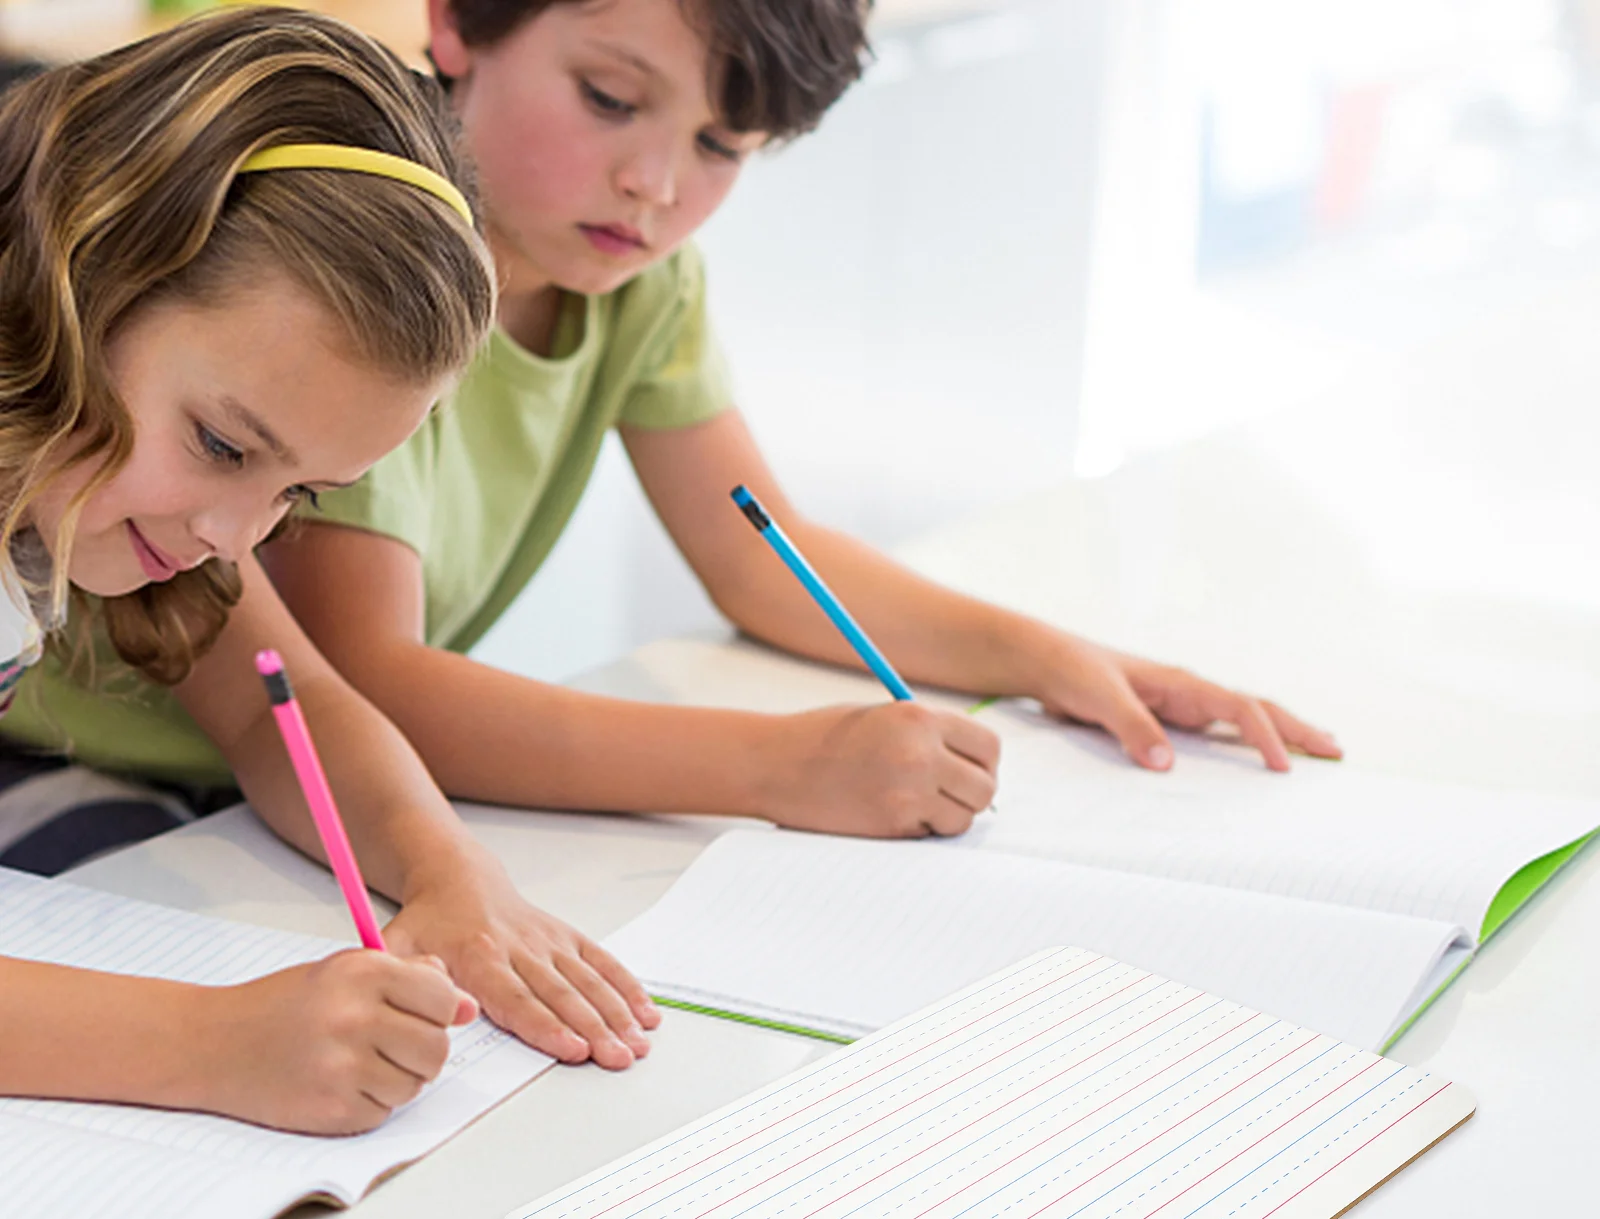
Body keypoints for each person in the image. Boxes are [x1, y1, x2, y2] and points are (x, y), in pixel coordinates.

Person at [10, 0, 1341, 846]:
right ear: (459, 22)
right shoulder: (347, 300)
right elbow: (373, 681)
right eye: (608, 98)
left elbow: (764, 550)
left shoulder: (639, 283)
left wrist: (1045, 655)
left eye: (723, 147)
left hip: (287, 806)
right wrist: (778, 767)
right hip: (148, 786)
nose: (654, 184)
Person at [0, 7, 656, 1134]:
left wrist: (448, 872)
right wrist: (212, 1045)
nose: (236, 536)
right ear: (84, 274)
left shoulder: (107, 476)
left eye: (297, 492)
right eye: (223, 445)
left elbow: (278, 706)